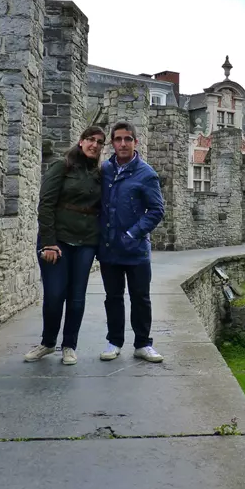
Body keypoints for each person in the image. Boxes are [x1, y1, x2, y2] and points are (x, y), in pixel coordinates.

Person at [24, 125, 106, 365]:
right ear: (81, 141)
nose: (94, 145)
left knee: (77, 296)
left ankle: (69, 345)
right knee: (54, 293)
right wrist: (48, 242)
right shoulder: (63, 166)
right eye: (90, 139)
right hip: (57, 241)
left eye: (100, 142)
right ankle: (48, 343)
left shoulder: (100, 174)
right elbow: (46, 204)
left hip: (86, 241)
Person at [98, 121, 165, 363]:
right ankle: (114, 341)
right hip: (109, 249)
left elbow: (156, 210)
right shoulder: (104, 170)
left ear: (135, 142)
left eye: (128, 139)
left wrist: (132, 234)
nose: (123, 143)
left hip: (136, 250)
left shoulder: (146, 173)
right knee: (112, 297)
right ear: (112, 143)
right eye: (118, 139)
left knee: (140, 297)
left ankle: (143, 344)